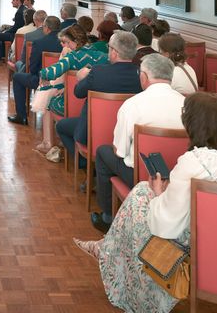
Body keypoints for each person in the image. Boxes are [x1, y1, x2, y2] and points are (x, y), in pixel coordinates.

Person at [74, 92, 217, 313]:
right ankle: (106, 247)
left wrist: (158, 194)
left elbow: (165, 226)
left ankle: (109, 252)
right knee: (144, 194)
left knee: (140, 195)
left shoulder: (193, 163)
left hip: (196, 247)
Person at [91, 54, 185, 233]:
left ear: (144, 77)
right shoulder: (187, 104)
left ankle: (107, 217)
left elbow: (119, 151)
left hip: (142, 176)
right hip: (177, 176)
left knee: (103, 152)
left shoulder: (133, 104)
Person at [56, 31, 142, 170]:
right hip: (128, 137)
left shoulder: (98, 72)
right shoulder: (142, 76)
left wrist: (80, 78)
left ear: (114, 52)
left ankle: (86, 165)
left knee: (61, 126)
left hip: (91, 133)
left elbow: (78, 93)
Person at [33, 25, 108, 158]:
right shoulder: (103, 56)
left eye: (67, 42)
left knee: (49, 102)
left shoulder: (72, 57)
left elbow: (50, 72)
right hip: (96, 107)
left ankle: (48, 143)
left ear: (75, 41)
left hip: (71, 103)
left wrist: (43, 76)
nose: (66, 46)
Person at [8, 16, 62, 125]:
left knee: (17, 77)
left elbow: (32, 67)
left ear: (46, 28)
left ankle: (21, 116)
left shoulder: (39, 43)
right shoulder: (66, 43)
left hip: (41, 80)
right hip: (62, 83)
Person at [0, 0, 26, 66]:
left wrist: (6, 31)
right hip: (20, 33)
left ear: (19, 1)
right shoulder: (24, 9)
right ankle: (2, 57)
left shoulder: (19, 12)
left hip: (16, 35)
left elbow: (16, 28)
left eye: (13, 0)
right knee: (2, 34)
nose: (12, 2)